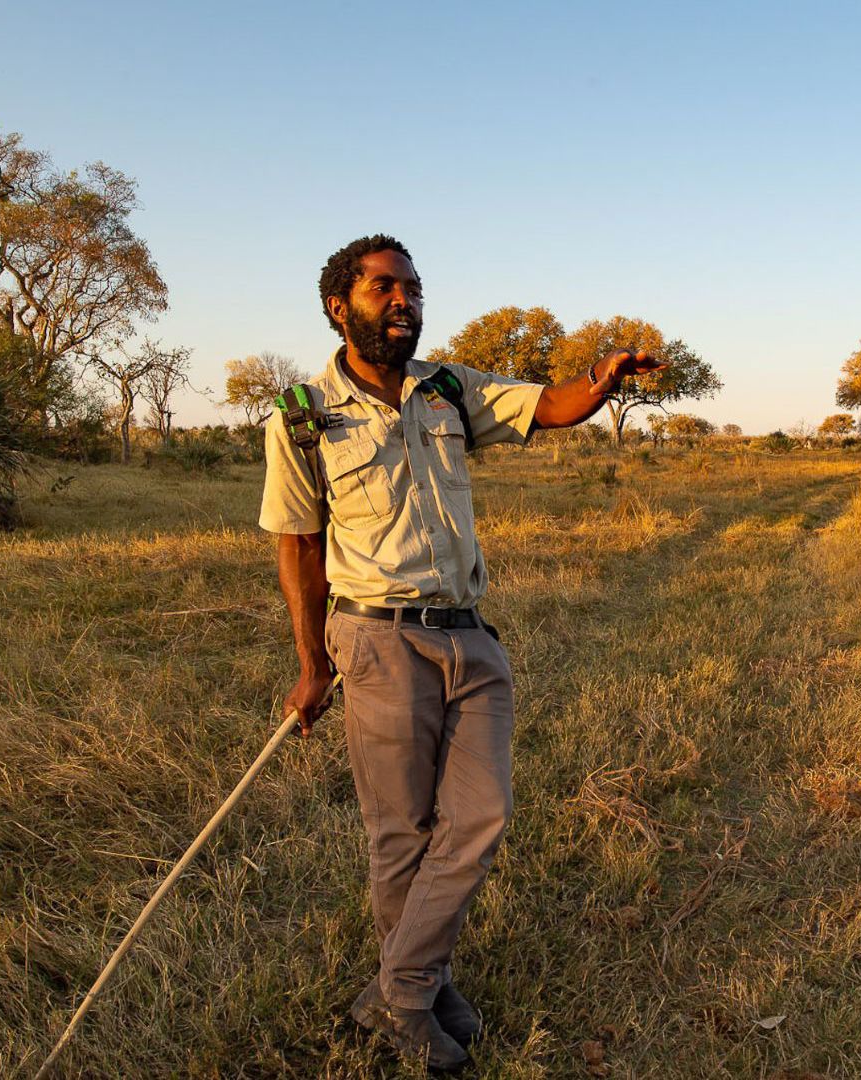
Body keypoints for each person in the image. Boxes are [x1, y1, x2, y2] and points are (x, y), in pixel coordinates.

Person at [260, 235, 663, 1071]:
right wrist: (313, 665)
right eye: (383, 288)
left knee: (480, 816)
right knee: (401, 832)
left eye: (411, 288)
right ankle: (422, 994)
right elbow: (298, 544)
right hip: (377, 637)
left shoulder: (448, 389)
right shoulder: (302, 415)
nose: (402, 301)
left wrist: (601, 377)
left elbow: (547, 406)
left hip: (469, 633)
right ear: (339, 305)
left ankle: (396, 992)